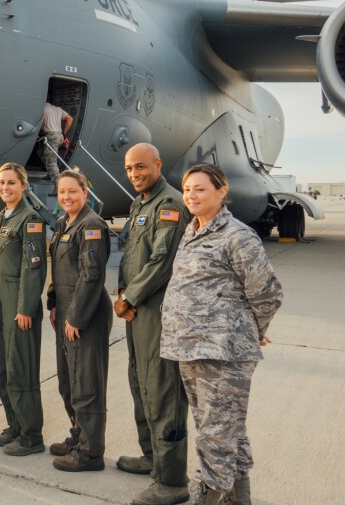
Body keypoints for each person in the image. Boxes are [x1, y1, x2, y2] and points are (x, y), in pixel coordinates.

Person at [161, 165, 283, 505]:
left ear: (221, 191)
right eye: (187, 189)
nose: (190, 196)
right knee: (225, 428)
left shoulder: (237, 235)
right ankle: (237, 497)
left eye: (199, 189)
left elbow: (267, 293)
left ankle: (209, 495)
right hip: (190, 348)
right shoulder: (193, 230)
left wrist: (253, 330)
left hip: (224, 352)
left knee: (216, 433)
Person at [115, 144, 192, 505]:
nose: (135, 174)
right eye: (130, 168)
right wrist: (123, 293)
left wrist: (129, 297)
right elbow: (131, 251)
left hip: (158, 311)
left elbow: (162, 261)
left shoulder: (170, 205)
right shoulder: (139, 204)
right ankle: (151, 457)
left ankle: (173, 481)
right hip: (136, 310)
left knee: (163, 391)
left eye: (141, 167)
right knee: (139, 382)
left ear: (158, 165)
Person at [47, 169, 112, 472]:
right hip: (66, 312)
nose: (66, 197)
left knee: (86, 384)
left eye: (72, 191)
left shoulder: (92, 225)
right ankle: (79, 434)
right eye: (62, 192)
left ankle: (90, 452)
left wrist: (76, 316)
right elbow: (58, 269)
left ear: (86, 193)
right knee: (68, 382)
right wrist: (54, 305)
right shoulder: (63, 224)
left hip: (85, 315)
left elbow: (92, 275)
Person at [0, 163, 47, 456]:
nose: (5, 188)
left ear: (23, 186)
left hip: (19, 304)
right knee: (5, 367)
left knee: (21, 368)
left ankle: (31, 434)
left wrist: (25, 308)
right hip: (2, 302)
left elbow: (33, 267)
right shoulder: (3, 216)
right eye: (1, 183)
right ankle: (15, 424)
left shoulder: (30, 219)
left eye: (11, 183)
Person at [38, 100, 73, 178]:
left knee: (51, 162)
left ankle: (58, 183)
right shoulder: (58, 109)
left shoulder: (43, 108)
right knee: (40, 152)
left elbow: (41, 122)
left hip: (51, 137)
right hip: (59, 136)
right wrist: (64, 133)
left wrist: (37, 133)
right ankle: (51, 173)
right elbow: (70, 119)